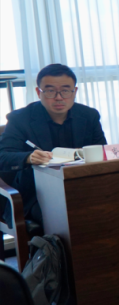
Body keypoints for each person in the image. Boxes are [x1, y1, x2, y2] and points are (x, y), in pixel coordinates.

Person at [0, 64, 106, 225]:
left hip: (83, 188)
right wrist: (28, 157)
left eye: (65, 90)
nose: (58, 97)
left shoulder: (89, 115)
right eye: (50, 91)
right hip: (36, 195)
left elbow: (102, 151)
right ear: (39, 92)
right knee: (71, 217)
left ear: (75, 92)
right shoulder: (20, 119)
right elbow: (3, 156)